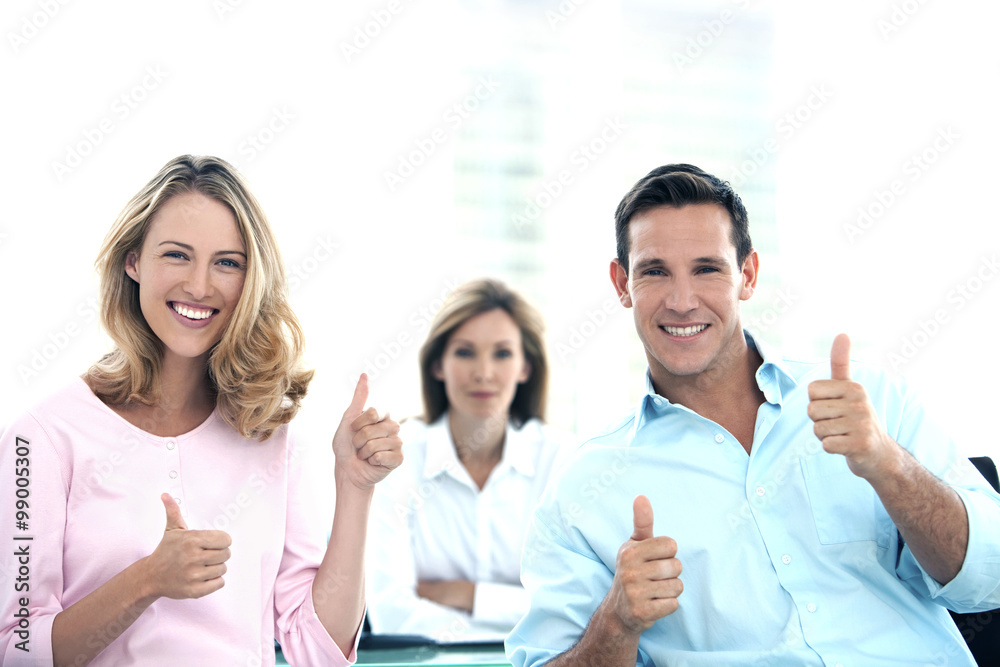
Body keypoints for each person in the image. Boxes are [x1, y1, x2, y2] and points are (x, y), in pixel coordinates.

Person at [507, 164, 1000, 666]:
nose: (681, 302)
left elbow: (990, 581)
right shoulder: (583, 488)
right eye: (655, 271)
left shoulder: (875, 400)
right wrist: (617, 622)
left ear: (748, 275)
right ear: (622, 284)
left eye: (707, 268)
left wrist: (888, 465)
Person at [0, 155, 402, 666]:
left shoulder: (269, 436)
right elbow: (16, 649)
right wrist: (147, 580)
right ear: (133, 261)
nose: (199, 286)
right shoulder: (38, 439)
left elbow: (315, 651)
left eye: (228, 262)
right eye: (176, 255)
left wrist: (356, 488)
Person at [365, 278, 574, 641]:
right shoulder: (395, 464)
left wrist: (468, 595)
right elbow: (392, 617)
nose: (483, 372)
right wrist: (521, 616)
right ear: (437, 366)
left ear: (526, 368)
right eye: (465, 352)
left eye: (503, 353)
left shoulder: (561, 461)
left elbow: (574, 610)